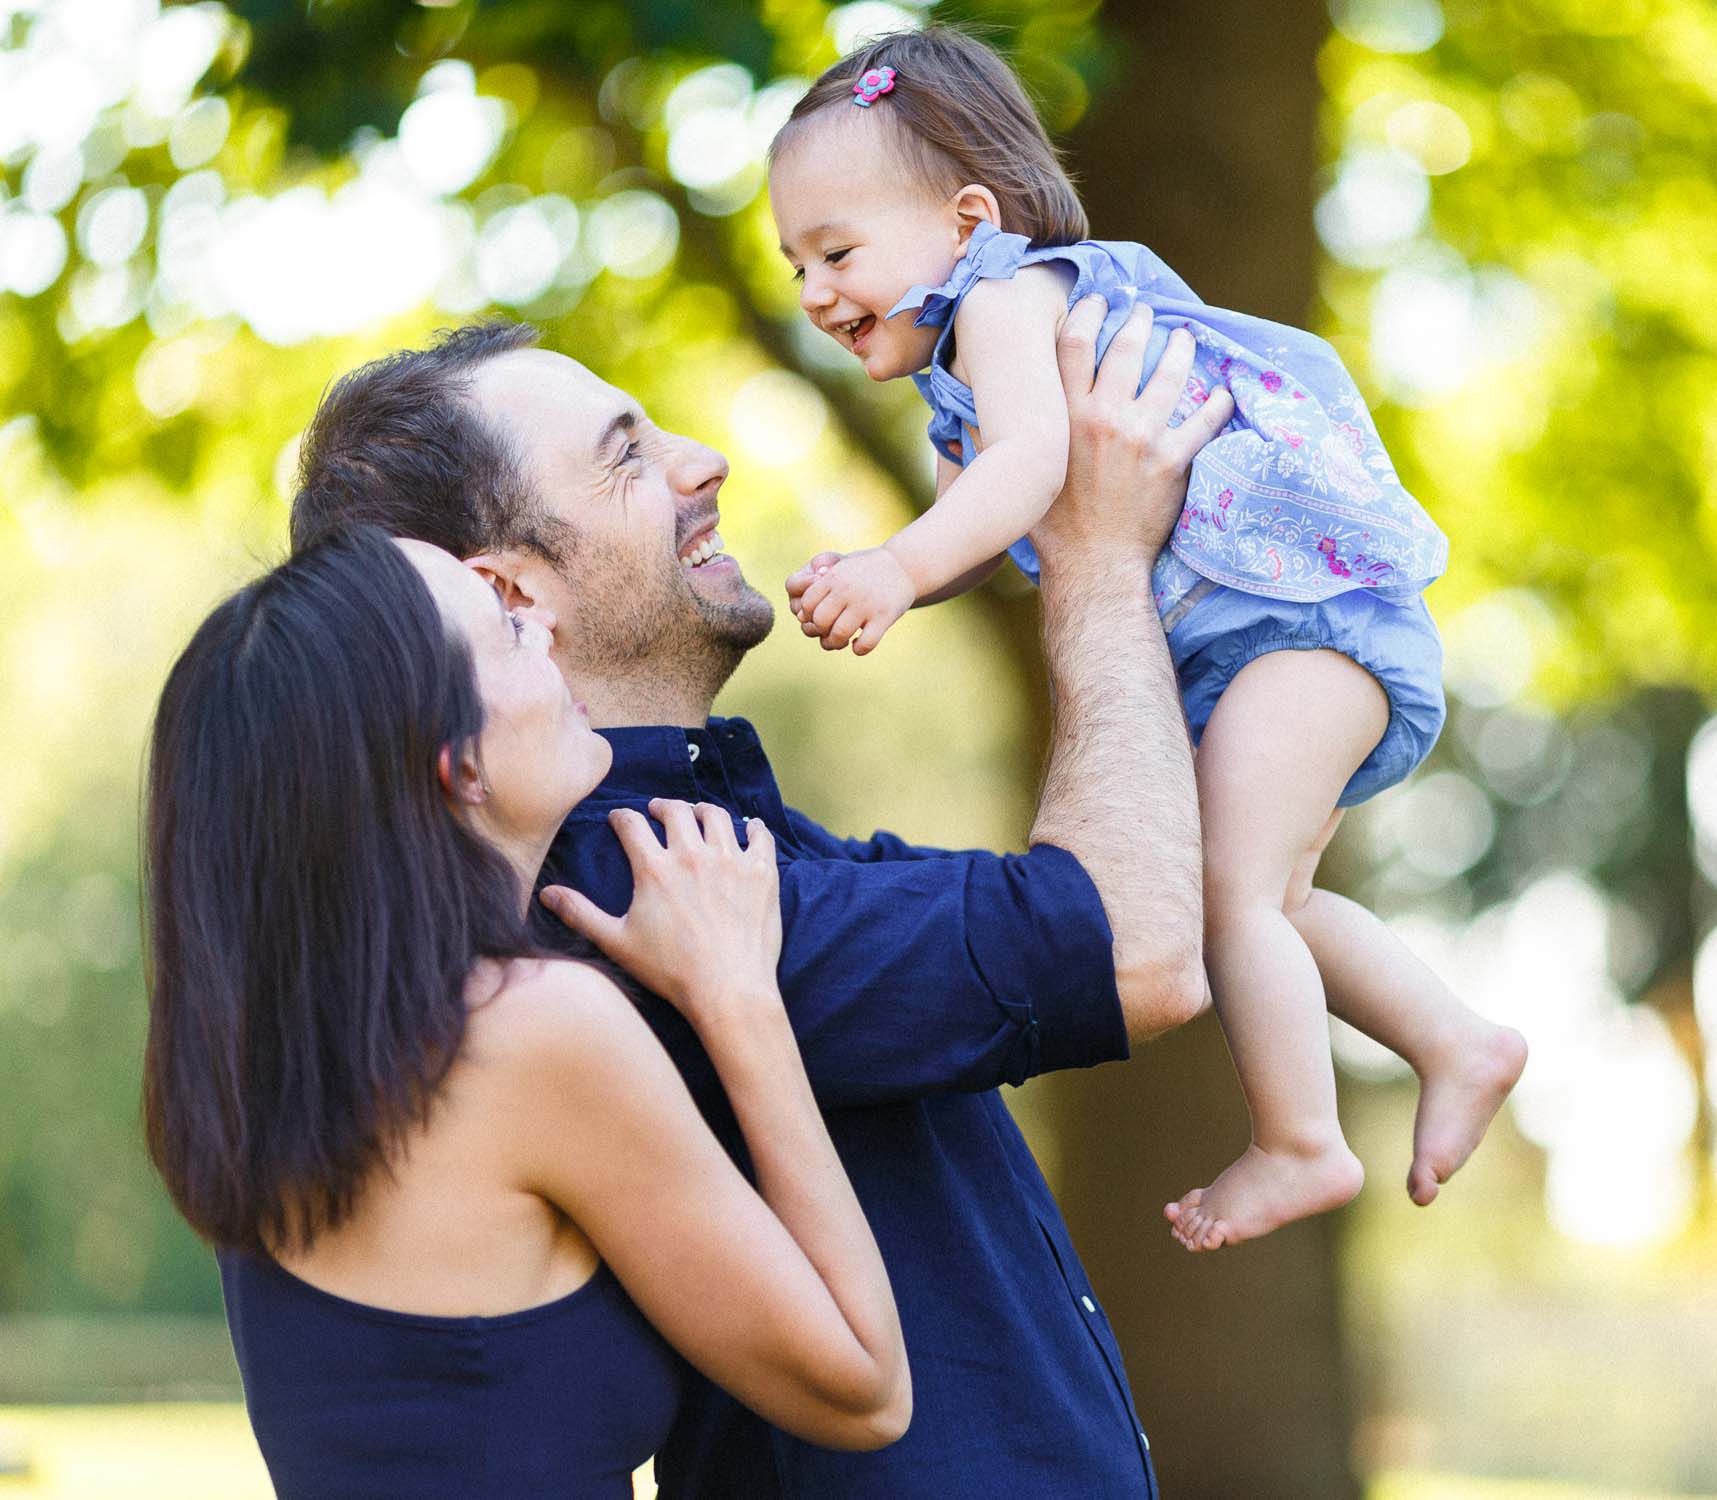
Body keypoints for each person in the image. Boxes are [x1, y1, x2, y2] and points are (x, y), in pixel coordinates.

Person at [285, 305, 1225, 1498]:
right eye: (628, 452)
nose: (703, 460)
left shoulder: (719, 849)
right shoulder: (625, 895)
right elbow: (1135, 947)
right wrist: (1094, 559)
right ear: (507, 592)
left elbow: (1097, 908)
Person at [767, 26, 1528, 1252]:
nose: (812, 292)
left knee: (1227, 900)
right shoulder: (969, 357)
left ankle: (1303, 1143)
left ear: (967, 220)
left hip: (1296, 624)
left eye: (837, 251)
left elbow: (1028, 468)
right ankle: (1455, 1038)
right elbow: (1019, 516)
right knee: (1260, 898)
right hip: (1272, 639)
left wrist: (896, 567)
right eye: (794, 261)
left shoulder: (1010, 296)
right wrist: (917, 572)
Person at [142, 525, 910, 1499]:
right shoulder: (529, 1033)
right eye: (507, 629)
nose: (544, 623)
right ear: (456, 765)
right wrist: (738, 996)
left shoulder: (276, 1056)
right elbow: (865, 1390)